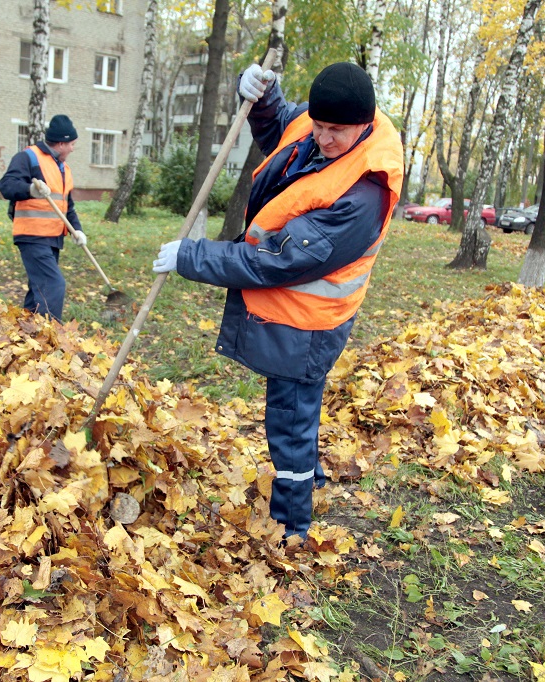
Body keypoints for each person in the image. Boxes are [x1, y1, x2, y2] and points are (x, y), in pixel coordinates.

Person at [152, 62, 403, 541]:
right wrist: (263, 99)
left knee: (289, 420)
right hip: (290, 312)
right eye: (320, 127)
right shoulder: (317, 125)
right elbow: (285, 129)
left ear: (364, 124)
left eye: (337, 132)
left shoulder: (364, 192)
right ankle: (311, 480)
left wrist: (194, 257)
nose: (324, 139)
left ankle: (292, 525)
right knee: (296, 411)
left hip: (309, 323)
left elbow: (276, 261)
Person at [0, 114, 87, 322]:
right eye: (72, 144)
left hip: (52, 238)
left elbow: (68, 205)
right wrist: (30, 189)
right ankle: (48, 336)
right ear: (61, 143)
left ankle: (25, 332)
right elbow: (7, 185)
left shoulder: (64, 168)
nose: (73, 149)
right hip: (32, 235)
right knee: (52, 284)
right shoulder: (29, 157)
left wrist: (77, 230)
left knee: (38, 288)